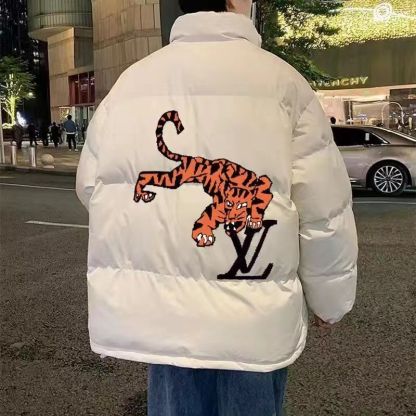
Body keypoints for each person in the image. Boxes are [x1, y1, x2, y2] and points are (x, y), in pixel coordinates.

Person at [76, 1, 358, 415]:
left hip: (168, 317)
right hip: (255, 319)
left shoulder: (130, 82)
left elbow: (91, 187)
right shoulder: (284, 82)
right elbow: (323, 211)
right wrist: (331, 301)